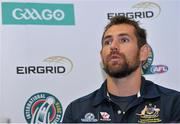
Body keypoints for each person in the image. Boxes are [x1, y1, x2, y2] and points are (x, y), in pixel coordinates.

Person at [62, 16, 180, 123]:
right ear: (101, 55)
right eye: (107, 42)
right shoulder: (77, 111)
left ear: (143, 53)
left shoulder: (174, 104)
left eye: (124, 40)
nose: (113, 46)